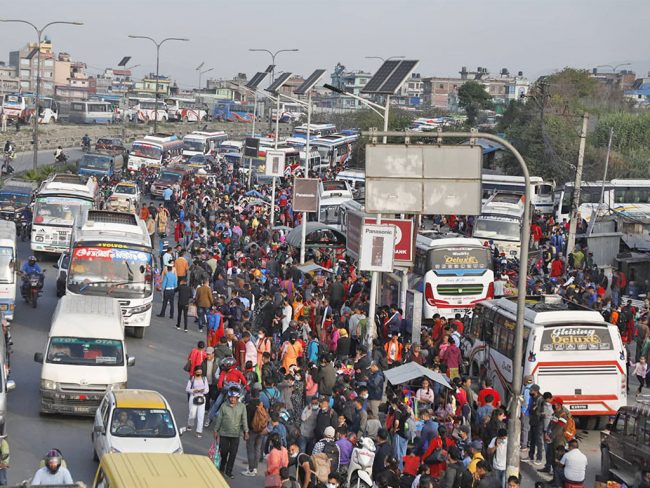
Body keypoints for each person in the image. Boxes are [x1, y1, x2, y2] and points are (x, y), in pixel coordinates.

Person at [213, 387, 249, 479]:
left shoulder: (242, 407)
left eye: (234, 398)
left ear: (238, 398)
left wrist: (246, 432)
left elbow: (244, 420)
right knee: (223, 452)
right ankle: (221, 468)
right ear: (228, 397)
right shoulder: (224, 406)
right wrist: (215, 430)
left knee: (233, 454)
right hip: (224, 434)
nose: (232, 399)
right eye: (231, 397)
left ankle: (229, 471)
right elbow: (219, 419)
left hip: (235, 435)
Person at [186, 367, 209, 438]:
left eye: (200, 372)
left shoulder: (204, 379)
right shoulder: (191, 379)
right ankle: (190, 424)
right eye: (198, 372)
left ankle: (199, 431)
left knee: (200, 415)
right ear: (195, 372)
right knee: (192, 414)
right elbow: (187, 389)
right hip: (193, 398)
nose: (199, 373)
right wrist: (194, 390)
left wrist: (203, 391)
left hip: (202, 398)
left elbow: (207, 390)